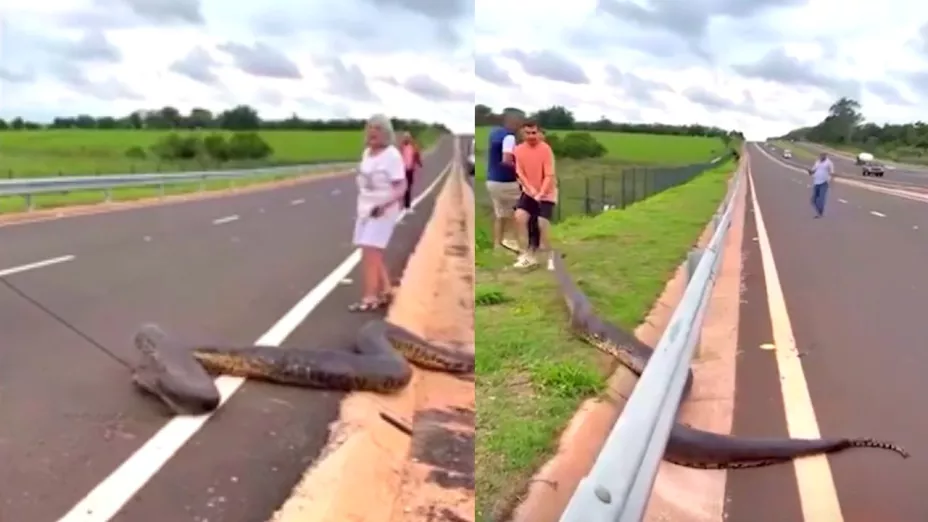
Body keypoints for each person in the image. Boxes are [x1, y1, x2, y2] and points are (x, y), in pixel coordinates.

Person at [349, 114, 407, 312]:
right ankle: (387, 290)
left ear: (386, 133)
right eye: (370, 128)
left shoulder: (392, 156)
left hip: (383, 209)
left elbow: (401, 187)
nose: (373, 132)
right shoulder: (367, 153)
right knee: (371, 252)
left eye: (378, 129)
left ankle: (370, 297)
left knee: (370, 250)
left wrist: (384, 204)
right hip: (365, 207)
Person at [512, 120, 558, 270]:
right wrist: (529, 189)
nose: (531, 136)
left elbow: (549, 175)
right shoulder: (518, 150)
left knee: (541, 223)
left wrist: (540, 193)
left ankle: (550, 256)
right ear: (522, 134)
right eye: (528, 133)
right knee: (520, 217)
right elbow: (519, 172)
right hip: (529, 192)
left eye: (534, 133)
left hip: (546, 193)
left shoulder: (545, 149)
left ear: (538, 133)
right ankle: (527, 255)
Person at [485, 107, 524, 252]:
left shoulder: (494, 133)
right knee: (520, 213)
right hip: (506, 181)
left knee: (501, 214)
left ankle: (498, 245)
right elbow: (507, 160)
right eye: (520, 121)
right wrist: (521, 170)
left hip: (492, 180)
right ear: (513, 121)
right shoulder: (509, 137)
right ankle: (518, 244)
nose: (521, 125)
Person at [399, 131, 423, 213]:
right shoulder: (401, 147)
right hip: (403, 170)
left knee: (408, 187)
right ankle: (405, 205)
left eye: (408, 138)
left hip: (410, 170)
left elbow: (416, 155)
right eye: (405, 138)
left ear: (410, 139)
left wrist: (419, 163)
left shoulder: (413, 147)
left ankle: (407, 206)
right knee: (404, 188)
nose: (407, 139)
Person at [808, 152, 833, 218]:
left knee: (821, 199)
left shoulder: (829, 163)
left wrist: (830, 181)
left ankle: (820, 213)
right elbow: (813, 170)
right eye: (821, 155)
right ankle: (820, 211)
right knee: (813, 200)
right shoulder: (817, 162)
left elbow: (831, 172)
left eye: (823, 155)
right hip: (816, 182)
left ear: (826, 156)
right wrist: (810, 172)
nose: (821, 156)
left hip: (824, 183)